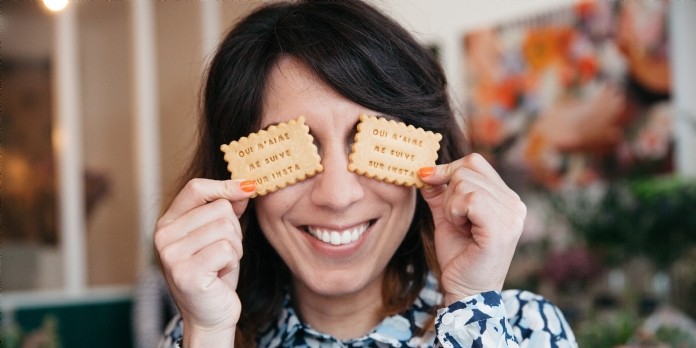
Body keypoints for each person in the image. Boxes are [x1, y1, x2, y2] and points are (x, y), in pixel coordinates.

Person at [155, 1, 578, 347]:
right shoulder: (195, 336)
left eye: (364, 141)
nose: (337, 196)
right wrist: (209, 333)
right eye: (304, 149)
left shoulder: (527, 330)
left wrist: (470, 303)